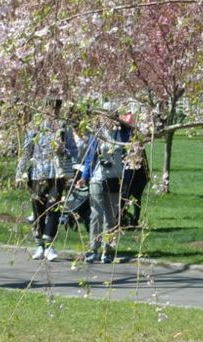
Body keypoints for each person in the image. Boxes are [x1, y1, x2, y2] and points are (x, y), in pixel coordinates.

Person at [15, 106, 77, 260]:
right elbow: (26, 151)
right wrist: (19, 173)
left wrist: (63, 150)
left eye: (54, 108)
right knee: (38, 210)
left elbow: (74, 150)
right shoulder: (34, 127)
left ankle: (49, 245)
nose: (50, 112)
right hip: (37, 175)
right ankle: (39, 244)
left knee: (53, 207)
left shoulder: (63, 127)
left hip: (57, 174)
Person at [78, 104, 130, 263]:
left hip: (115, 177)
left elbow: (131, 139)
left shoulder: (122, 134)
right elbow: (89, 158)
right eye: (104, 116)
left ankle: (107, 250)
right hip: (97, 178)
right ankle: (93, 248)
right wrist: (84, 176)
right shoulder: (97, 135)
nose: (106, 119)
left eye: (110, 115)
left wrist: (123, 124)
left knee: (111, 217)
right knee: (96, 214)